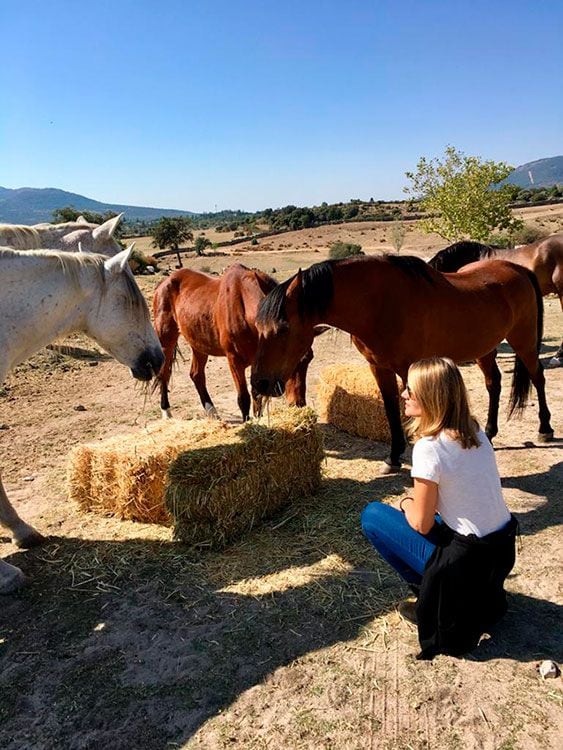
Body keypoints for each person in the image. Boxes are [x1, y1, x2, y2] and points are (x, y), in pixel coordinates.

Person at [361, 357, 518, 660]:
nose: (403, 394)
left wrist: (406, 502)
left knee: (373, 516)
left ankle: (432, 595)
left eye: (411, 390)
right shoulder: (475, 432)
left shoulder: (428, 447)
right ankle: (462, 594)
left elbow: (420, 523)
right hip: (500, 551)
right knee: (430, 516)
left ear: (432, 397)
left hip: (467, 564)